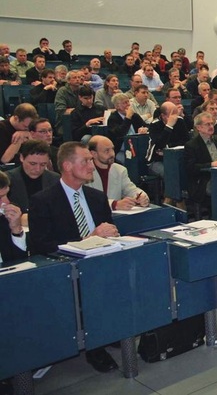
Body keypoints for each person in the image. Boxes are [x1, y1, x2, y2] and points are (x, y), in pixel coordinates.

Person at [28, 142, 120, 373]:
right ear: (67, 166)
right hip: (65, 267)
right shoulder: (43, 201)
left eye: (91, 160)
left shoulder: (97, 197)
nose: (91, 166)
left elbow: (109, 230)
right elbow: (42, 245)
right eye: (86, 161)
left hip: (101, 261)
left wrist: (112, 234)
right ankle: (94, 346)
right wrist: (87, 240)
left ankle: (111, 331)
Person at [87, 135, 150, 210]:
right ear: (93, 154)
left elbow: (131, 189)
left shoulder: (120, 170)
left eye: (112, 149)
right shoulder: (85, 172)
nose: (112, 154)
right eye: (107, 151)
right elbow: (88, 199)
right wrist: (114, 204)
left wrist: (142, 196)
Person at [184, 113, 217, 204]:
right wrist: (210, 164)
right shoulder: (191, 145)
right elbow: (191, 168)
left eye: (212, 124)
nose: (211, 126)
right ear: (199, 127)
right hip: (204, 180)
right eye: (207, 124)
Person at [6, 140, 60, 221]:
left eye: (43, 164)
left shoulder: (54, 179)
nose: (38, 169)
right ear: (21, 158)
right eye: (32, 164)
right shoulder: (8, 180)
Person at [147, 100, 190, 177]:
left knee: (189, 170)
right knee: (170, 173)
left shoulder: (180, 121)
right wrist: (169, 126)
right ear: (163, 116)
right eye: (172, 114)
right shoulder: (155, 125)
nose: (175, 117)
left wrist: (167, 148)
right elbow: (158, 145)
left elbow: (186, 141)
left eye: (176, 113)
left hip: (177, 157)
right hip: (157, 160)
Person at [0, 171, 27, 264]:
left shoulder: (4, 219)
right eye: (0, 197)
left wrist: (16, 229)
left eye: (7, 195)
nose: (6, 202)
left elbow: (20, 264)